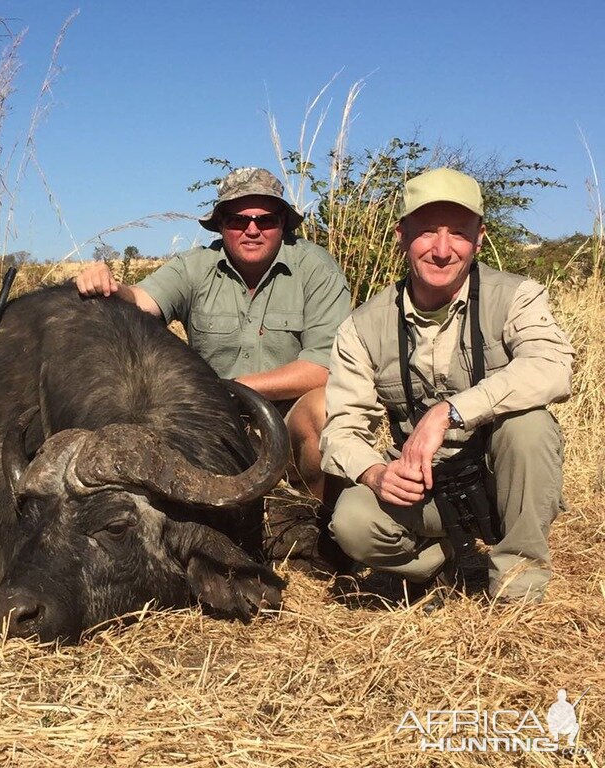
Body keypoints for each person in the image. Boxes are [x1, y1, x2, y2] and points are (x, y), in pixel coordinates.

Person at [320, 167, 574, 604]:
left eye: (458, 233)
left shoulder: (518, 295)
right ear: (401, 236)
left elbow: (552, 366)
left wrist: (449, 412)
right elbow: (341, 430)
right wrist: (376, 473)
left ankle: (520, 587)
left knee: (529, 427)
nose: (442, 250)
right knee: (352, 522)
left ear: (479, 237)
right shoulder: (362, 326)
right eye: (426, 233)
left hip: (500, 479)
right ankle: (434, 561)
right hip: (429, 489)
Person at [76, 167, 351, 501]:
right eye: (238, 220)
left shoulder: (316, 267)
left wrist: (235, 389)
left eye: (265, 220)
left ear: (283, 224)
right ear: (221, 224)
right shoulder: (194, 266)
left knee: (325, 409)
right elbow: (141, 302)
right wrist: (108, 285)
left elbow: (322, 368)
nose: (252, 230)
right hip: (211, 421)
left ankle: (316, 523)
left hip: (286, 419)